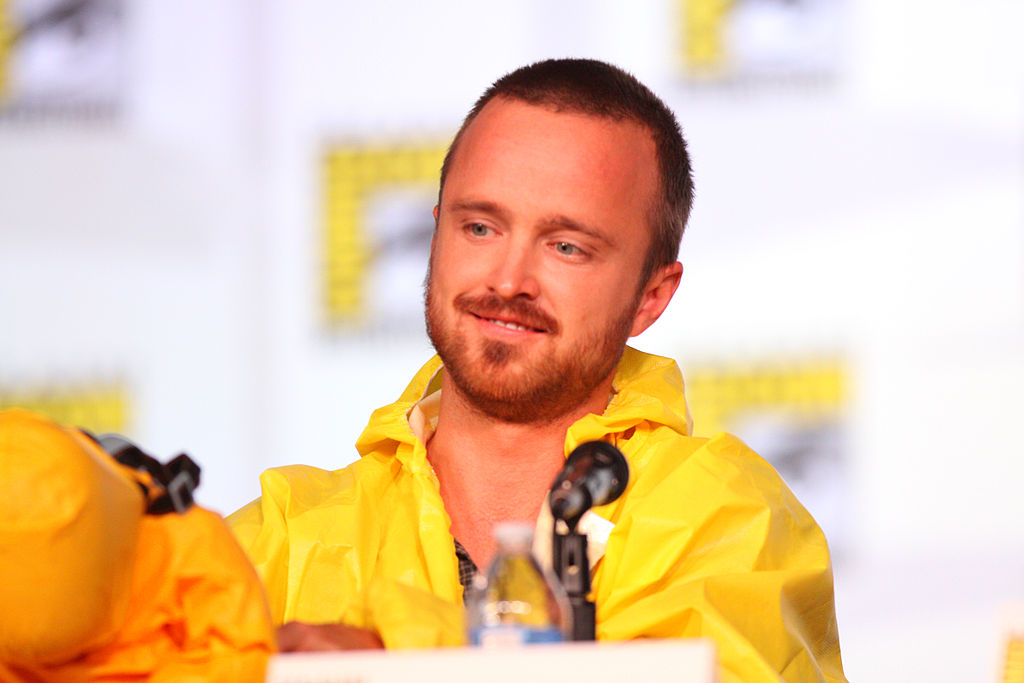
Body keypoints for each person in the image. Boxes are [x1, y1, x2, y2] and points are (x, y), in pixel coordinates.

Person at [228, 58, 847, 682]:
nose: (508, 279)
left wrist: (392, 663)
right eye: (480, 226)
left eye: (566, 246)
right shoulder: (284, 533)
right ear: (437, 234)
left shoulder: (725, 515)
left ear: (650, 297)